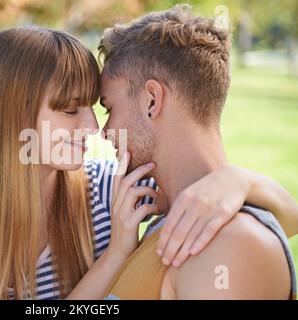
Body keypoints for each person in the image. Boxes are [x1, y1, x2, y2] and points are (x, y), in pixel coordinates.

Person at [0, 25, 298, 300]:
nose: (93, 127)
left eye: (95, 107)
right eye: (71, 110)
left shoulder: (110, 191)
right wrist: (115, 255)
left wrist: (237, 181)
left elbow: (283, 223)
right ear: (14, 116)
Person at [100, 4, 297, 299]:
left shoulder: (231, 245)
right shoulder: (168, 216)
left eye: (109, 108)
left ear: (152, 100)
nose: (104, 131)